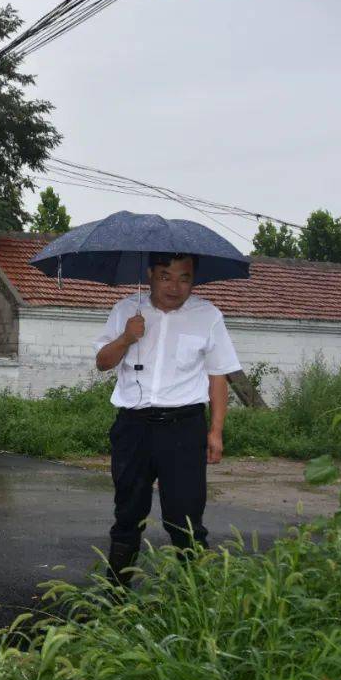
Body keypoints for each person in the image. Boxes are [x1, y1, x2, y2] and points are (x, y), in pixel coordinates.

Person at [94, 252, 241, 589]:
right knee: (128, 513)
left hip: (184, 428)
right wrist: (126, 338)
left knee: (185, 519)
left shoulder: (208, 316)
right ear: (150, 274)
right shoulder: (126, 310)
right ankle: (115, 595)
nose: (175, 286)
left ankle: (197, 600)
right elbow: (103, 362)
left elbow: (218, 375)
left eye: (184, 278)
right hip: (133, 426)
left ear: (194, 279)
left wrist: (215, 431)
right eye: (165, 276)